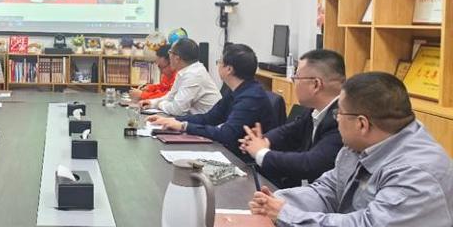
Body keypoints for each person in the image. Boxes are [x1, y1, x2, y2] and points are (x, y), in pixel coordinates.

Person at [249, 72, 453, 227]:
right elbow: (327, 190)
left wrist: (288, 215)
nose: (335, 120)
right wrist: (277, 202)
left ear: (362, 123)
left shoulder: (418, 171)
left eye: (339, 113)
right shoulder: (360, 146)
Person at [240, 49, 345, 188]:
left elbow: (311, 164)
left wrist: (261, 153)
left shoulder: (343, 119)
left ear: (316, 84)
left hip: (321, 196)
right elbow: (289, 131)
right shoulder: (314, 109)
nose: (293, 81)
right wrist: (263, 141)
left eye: (296, 77)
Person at [148, 43, 276, 151]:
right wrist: (174, 120)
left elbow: (226, 134)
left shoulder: (251, 98)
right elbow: (210, 117)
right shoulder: (236, 90)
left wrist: (183, 126)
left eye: (219, 62)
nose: (218, 65)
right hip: (231, 148)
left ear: (229, 69)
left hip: (242, 158)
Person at [139, 38, 220, 116]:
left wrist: (160, 104)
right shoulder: (184, 71)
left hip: (209, 123)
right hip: (198, 119)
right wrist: (152, 103)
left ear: (177, 58)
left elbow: (178, 110)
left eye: (170, 52)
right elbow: (171, 96)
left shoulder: (194, 74)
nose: (169, 55)